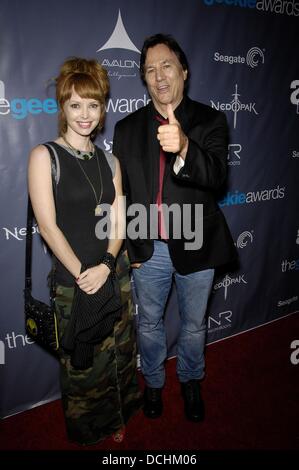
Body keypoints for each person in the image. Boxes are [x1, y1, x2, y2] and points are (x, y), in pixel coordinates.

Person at [113, 34, 237, 422]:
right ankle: (152, 382)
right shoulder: (127, 128)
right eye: (150, 70)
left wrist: (184, 146)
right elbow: (125, 194)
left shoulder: (211, 120)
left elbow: (217, 177)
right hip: (148, 249)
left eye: (166, 65)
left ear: (183, 70)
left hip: (197, 245)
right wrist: (132, 249)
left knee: (194, 324)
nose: (159, 76)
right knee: (148, 324)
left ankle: (190, 379)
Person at [28, 57, 142, 445]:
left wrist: (108, 264)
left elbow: (118, 216)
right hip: (74, 282)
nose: (85, 114)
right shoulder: (45, 157)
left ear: (103, 108)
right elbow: (48, 226)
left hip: (114, 272)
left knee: (119, 351)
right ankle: (89, 427)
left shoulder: (110, 160)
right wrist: (85, 273)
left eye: (93, 105)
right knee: (83, 363)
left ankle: (119, 415)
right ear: (62, 106)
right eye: (75, 104)